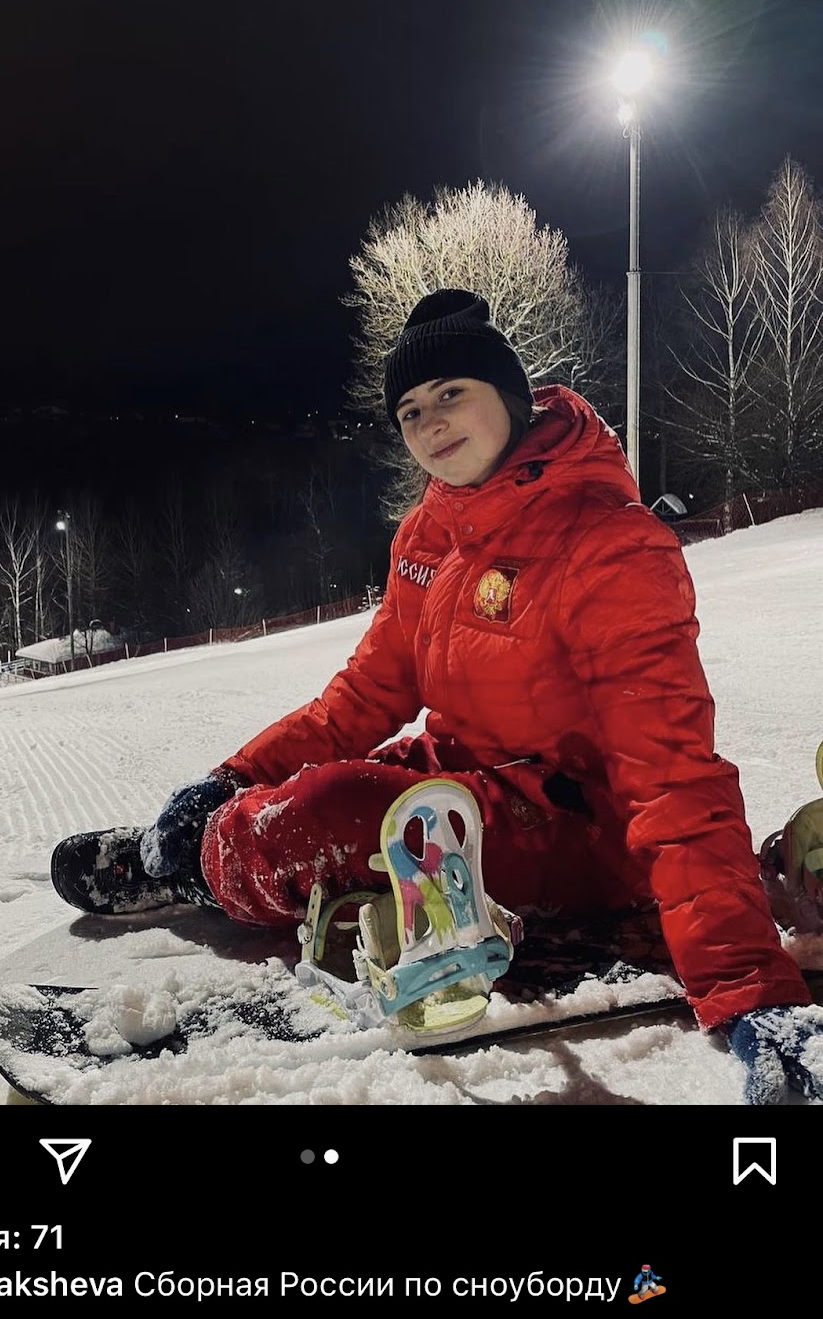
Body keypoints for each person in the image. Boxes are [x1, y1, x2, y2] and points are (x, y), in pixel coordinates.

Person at [52, 288, 823, 1103]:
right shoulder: (435, 531)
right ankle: (211, 829)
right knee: (318, 789)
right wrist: (231, 777)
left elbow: (671, 773)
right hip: (473, 777)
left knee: (335, 808)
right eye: (410, 410)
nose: (429, 424)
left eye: (451, 393)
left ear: (513, 399)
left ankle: (195, 866)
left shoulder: (607, 544)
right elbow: (366, 694)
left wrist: (751, 995)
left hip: (580, 823)